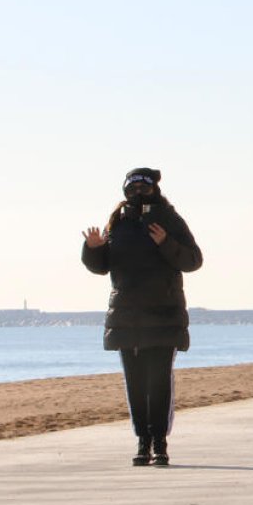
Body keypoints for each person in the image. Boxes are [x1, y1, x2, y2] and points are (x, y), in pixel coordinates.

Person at [81, 168, 204, 467]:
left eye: (144, 187)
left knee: (159, 383)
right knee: (135, 383)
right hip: (126, 319)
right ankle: (142, 441)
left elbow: (193, 260)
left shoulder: (170, 219)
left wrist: (166, 243)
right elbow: (103, 267)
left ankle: (160, 442)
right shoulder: (118, 222)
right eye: (132, 186)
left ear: (155, 189)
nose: (138, 192)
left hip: (164, 317)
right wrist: (93, 250)